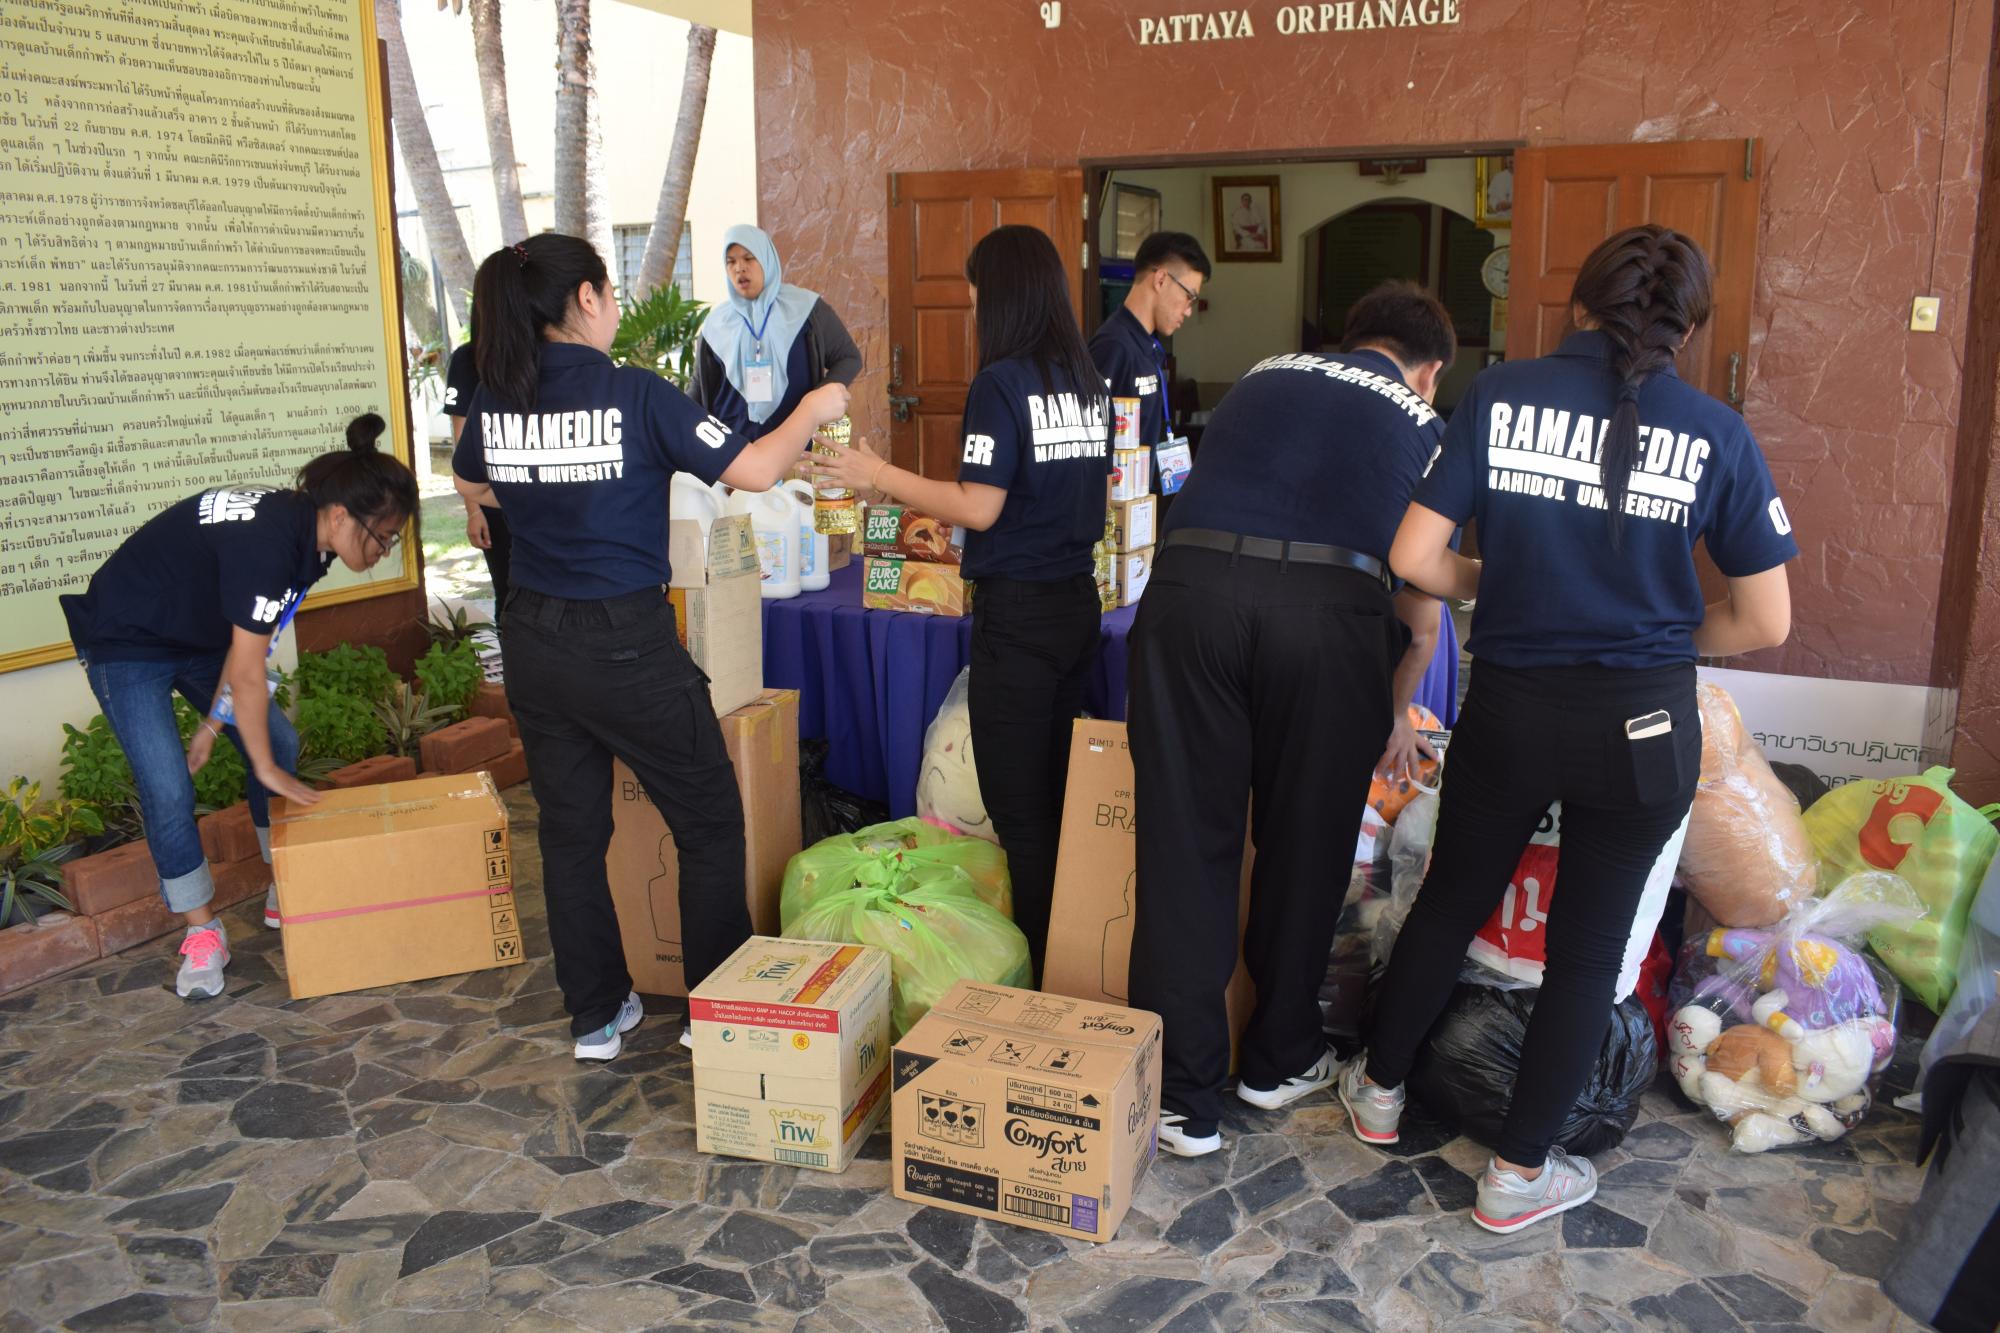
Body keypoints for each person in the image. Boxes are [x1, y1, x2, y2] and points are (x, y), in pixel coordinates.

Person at [1345, 225, 1797, 1233]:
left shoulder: (1500, 395)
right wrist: (1668, 633)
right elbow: (1765, 619)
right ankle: (1516, 1177)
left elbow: (1413, 557)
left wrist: (1499, 581)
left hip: (1512, 707)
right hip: (1642, 721)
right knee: (1586, 955)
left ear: (1579, 305)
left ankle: (1377, 1096)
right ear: (1685, 327)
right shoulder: (1715, 431)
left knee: (1447, 906)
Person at [452, 233, 849, 1061]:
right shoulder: (633, 393)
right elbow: (754, 470)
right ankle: (710, 1011)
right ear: (587, 298)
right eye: (609, 292)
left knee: (569, 833)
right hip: (624, 644)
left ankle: (595, 1016)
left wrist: (544, 491)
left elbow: (470, 477)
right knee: (708, 821)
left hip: (533, 640)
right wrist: (813, 408)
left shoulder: (497, 397)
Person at [1126, 281, 1456, 1159]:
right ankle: (1276, 1058)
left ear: (1350, 338)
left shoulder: (1265, 372)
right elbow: (1423, 616)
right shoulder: (1427, 425)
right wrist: (1394, 708)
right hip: (1328, 615)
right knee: (1305, 843)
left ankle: (1180, 1099)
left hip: (1188, 596)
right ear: (1427, 371)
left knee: (1183, 844)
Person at [810, 225, 1109, 979]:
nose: (972, 305)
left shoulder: (1002, 384)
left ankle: (1042, 977)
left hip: (1022, 618)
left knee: (1020, 813)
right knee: (1052, 798)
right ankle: (1070, 957)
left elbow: (978, 505)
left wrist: (877, 473)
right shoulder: (1086, 383)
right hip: (1077, 606)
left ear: (999, 293)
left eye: (975, 290)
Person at [60, 415, 418, 999]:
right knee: (169, 786)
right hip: (126, 639)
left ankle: (284, 876)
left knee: (276, 740)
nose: (383, 550)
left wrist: (213, 723)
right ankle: (202, 932)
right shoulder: (269, 543)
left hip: (198, 638)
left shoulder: (308, 543)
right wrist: (265, 769)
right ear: (339, 515)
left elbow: (251, 645)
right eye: (382, 536)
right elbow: (249, 674)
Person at [689, 224, 863, 440]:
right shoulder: (716, 323)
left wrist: (818, 400)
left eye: (749, 258)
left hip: (797, 442)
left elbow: (849, 358)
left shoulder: (806, 308)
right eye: (730, 261)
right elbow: (700, 387)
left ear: (767, 259)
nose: (739, 268)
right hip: (733, 447)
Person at [1088, 231, 1209, 501]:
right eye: (1189, 296)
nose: (1189, 310)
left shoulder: (1149, 346)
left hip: (1145, 503)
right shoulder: (1113, 346)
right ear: (1161, 279)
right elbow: (1092, 442)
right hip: (1118, 507)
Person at [444, 333, 512, 621]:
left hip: (539, 495)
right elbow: (462, 440)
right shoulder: (467, 359)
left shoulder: (539, 349)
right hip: (492, 497)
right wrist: (473, 510)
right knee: (508, 593)